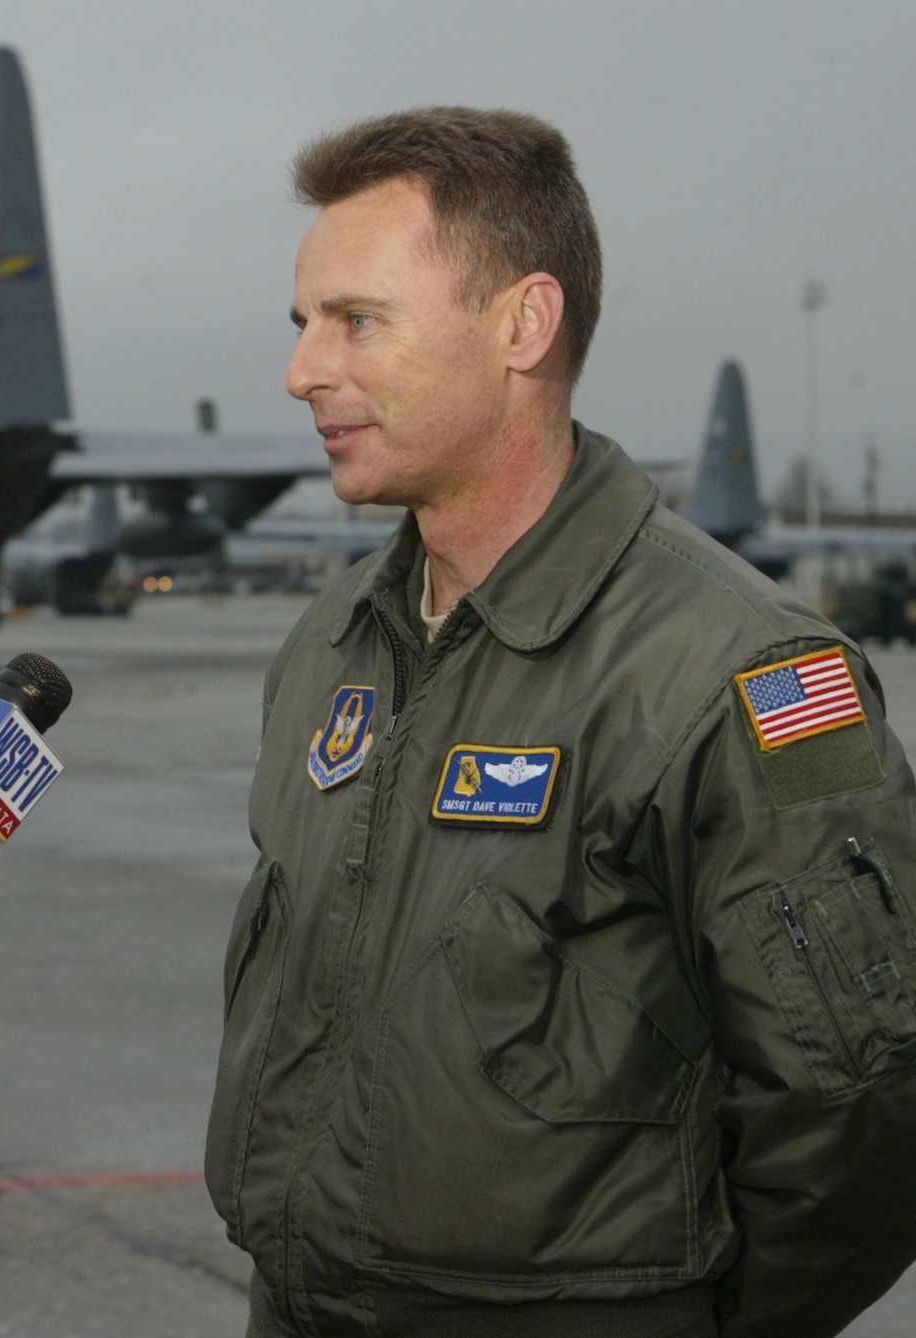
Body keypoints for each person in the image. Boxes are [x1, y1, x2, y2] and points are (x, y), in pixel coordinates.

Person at [205, 108, 916, 1338]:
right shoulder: (331, 642)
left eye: (355, 321)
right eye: (302, 323)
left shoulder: (741, 668)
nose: (301, 370)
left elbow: (856, 1103)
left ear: (520, 326)